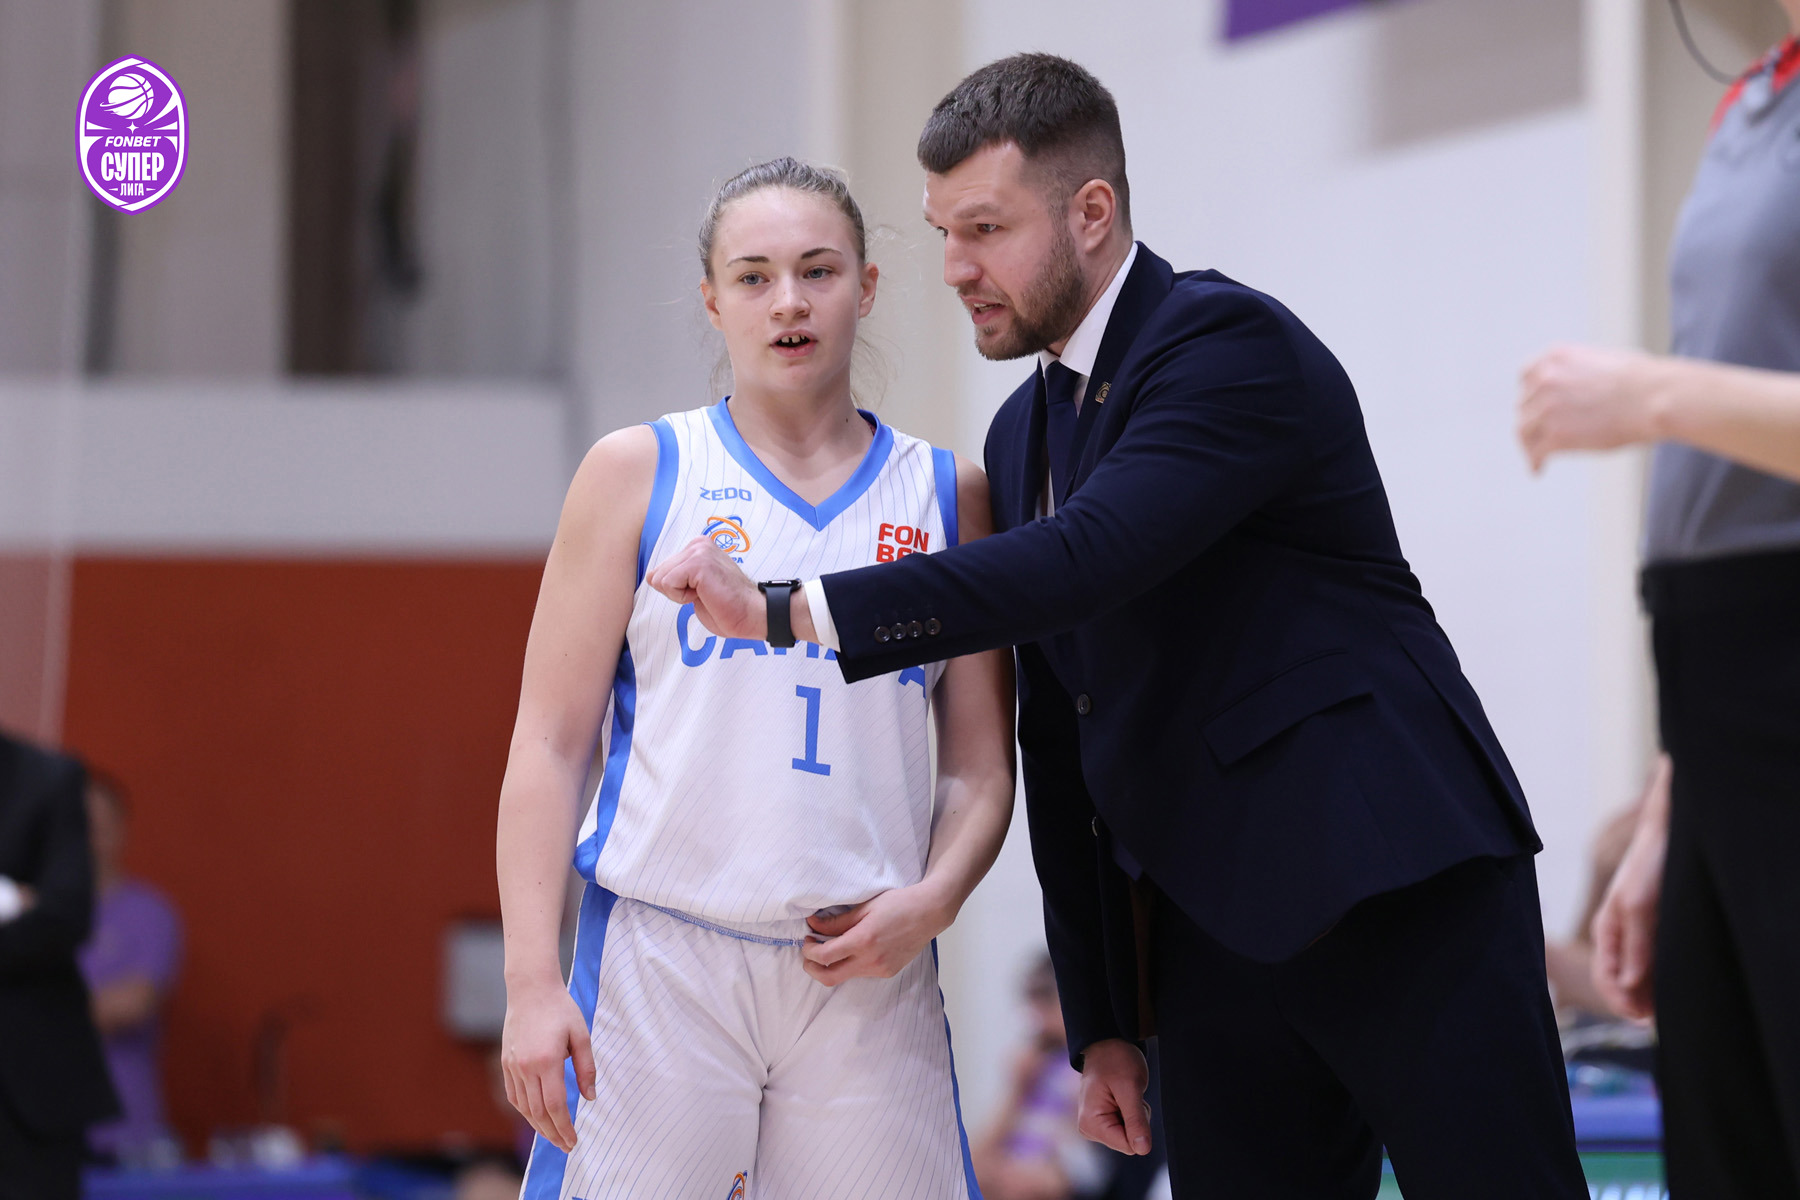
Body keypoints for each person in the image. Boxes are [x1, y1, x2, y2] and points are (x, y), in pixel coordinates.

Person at [653, 55, 1589, 1198]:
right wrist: (1101, 1016)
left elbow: (1083, 562)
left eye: (986, 229)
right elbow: (1063, 732)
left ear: (1090, 212)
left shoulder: (1225, 343)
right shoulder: (1021, 433)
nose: (956, 269)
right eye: (945, 234)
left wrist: (792, 608)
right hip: (1208, 937)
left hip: (1390, 879)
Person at [496, 157, 1015, 1199]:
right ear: (712, 300)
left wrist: (935, 900)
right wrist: (530, 981)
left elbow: (978, 767)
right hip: (663, 961)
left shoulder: (946, 491)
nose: (789, 302)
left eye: (819, 271)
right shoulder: (637, 473)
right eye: (754, 276)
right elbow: (548, 746)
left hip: (867, 968)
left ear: (867, 287)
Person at [1517, 6, 1800, 1194]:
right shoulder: (1753, 102)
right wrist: (1670, 807)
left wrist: (1650, 397)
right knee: (1724, 1135)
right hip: (1713, 678)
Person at [0, 731, 119, 1199]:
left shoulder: (45, 778)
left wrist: (32, 906)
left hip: (24, 1093)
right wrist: (13, 898)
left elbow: (64, 914)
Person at [77, 769, 183, 1165]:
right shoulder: (27, 910)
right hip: (34, 1133)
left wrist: (34, 1014)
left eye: (99, 828)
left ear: (121, 830)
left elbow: (131, 1004)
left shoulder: (149, 914)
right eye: (78, 827)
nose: (89, 840)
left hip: (123, 1132)